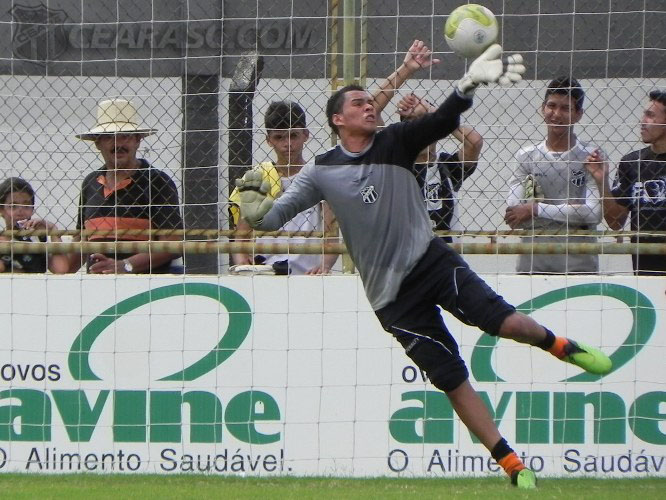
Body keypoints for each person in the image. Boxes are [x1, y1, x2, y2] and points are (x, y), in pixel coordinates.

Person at [234, 44, 611, 489]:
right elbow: (274, 219)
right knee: (451, 377)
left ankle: (559, 344)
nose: (368, 106)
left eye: (370, 101)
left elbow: (443, 122)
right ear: (338, 119)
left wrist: (469, 82)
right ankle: (510, 462)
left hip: (432, 262)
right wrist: (256, 209)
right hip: (390, 298)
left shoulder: (395, 140)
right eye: (358, 103)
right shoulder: (321, 170)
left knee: (505, 324)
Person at [71, 98, 182, 274]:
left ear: (138, 140)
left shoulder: (158, 182)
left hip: (146, 289)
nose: (118, 144)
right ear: (97, 143)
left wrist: (125, 266)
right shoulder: (89, 183)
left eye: (126, 135)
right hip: (96, 287)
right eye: (109, 137)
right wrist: (48, 234)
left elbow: (173, 244)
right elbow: (79, 245)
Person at [504, 77, 603, 274]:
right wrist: (572, 211)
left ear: (578, 114)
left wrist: (535, 209)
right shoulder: (527, 156)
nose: (556, 114)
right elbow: (514, 213)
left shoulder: (590, 156)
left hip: (579, 266)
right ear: (543, 108)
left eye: (566, 108)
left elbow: (593, 214)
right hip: (533, 263)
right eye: (551, 106)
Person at [229, 101, 338, 275]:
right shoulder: (257, 177)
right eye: (279, 137)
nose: (287, 144)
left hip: (308, 274)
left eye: (293, 135)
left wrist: (324, 266)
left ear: (305, 135)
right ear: (268, 140)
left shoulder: (319, 177)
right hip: (264, 271)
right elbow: (241, 235)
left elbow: (331, 235)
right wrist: (242, 263)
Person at [585, 89, 666, 275]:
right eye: (644, 114)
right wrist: (601, 180)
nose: (643, 121)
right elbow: (615, 222)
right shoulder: (632, 163)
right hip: (645, 271)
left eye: (650, 116)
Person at [397, 93, 482, 241]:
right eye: (413, 125)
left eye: (425, 124)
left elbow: (475, 142)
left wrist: (433, 112)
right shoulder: (395, 165)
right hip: (407, 253)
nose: (420, 131)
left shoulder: (447, 165)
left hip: (446, 254)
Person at [0, 177, 69, 273]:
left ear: (32, 209)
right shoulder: (2, 240)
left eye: (26, 206)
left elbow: (61, 269)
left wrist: (53, 231)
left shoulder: (37, 238)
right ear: (1, 210)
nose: (20, 211)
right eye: (13, 206)